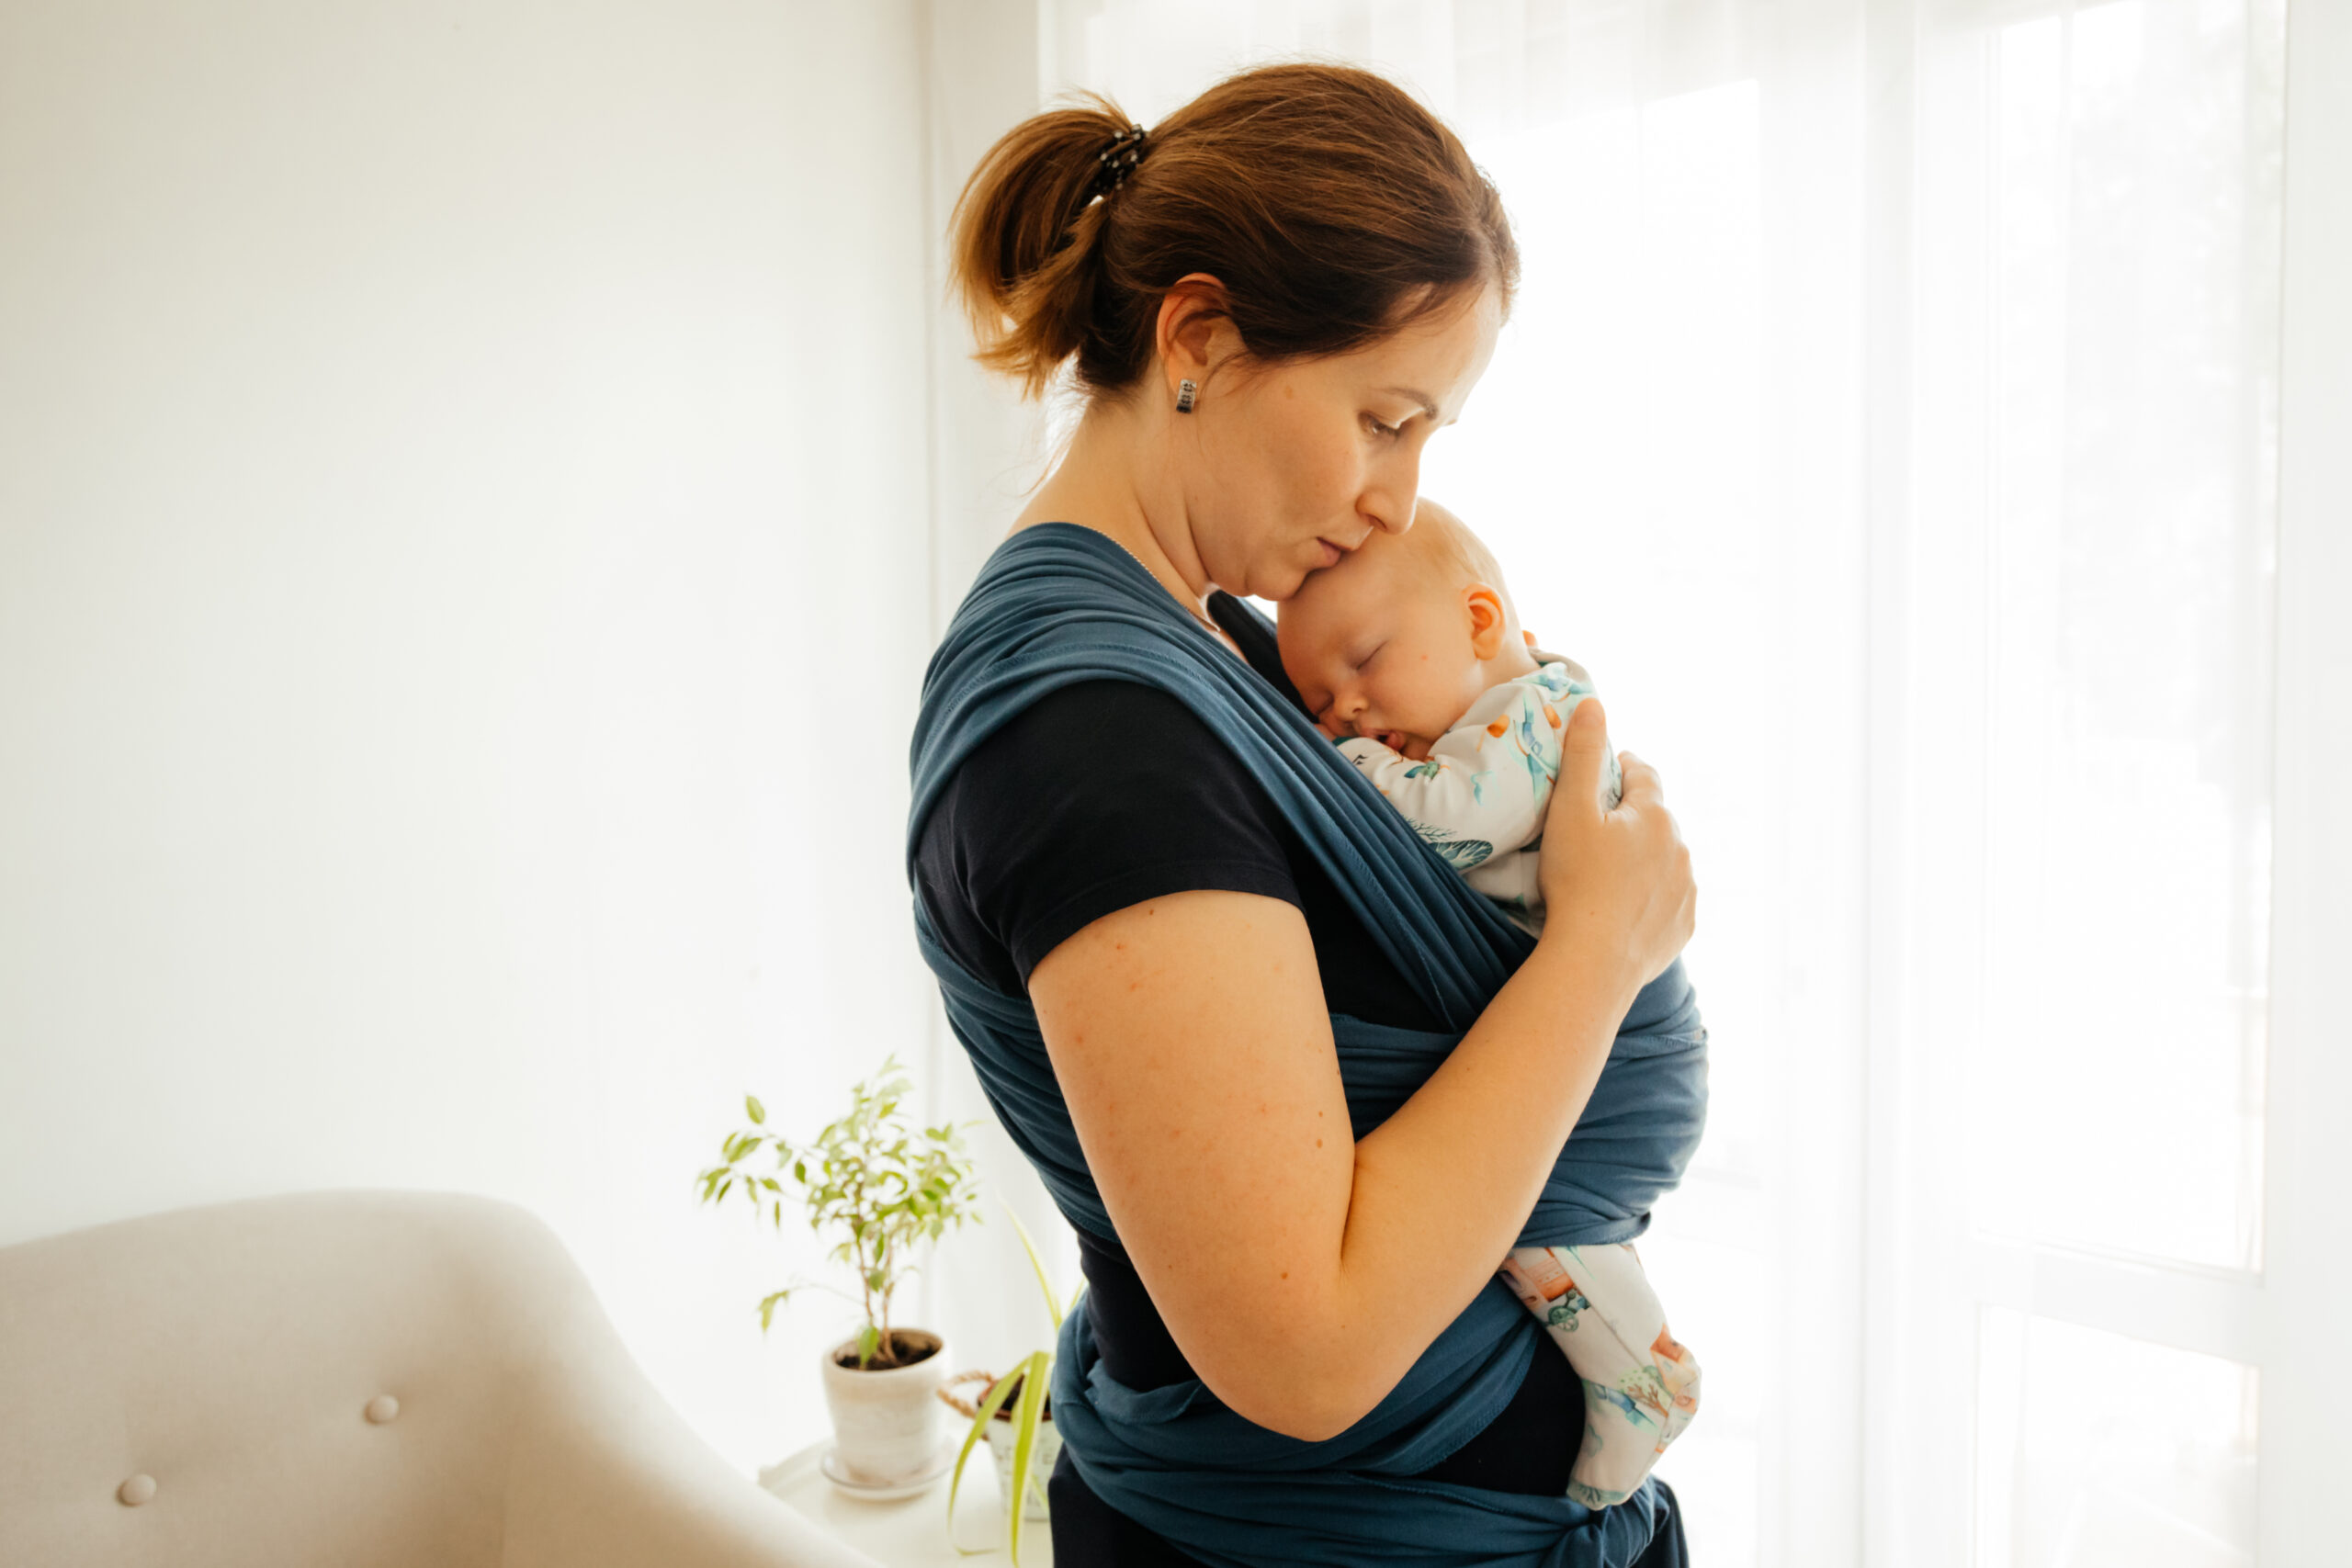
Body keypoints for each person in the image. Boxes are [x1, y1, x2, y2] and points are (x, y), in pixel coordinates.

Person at [906, 62, 1702, 1568]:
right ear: (1199, 336)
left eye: (1428, 437)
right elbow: (1307, 1349)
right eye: (1385, 417)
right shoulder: (1100, 739)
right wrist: (1598, 952)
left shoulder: (1223, 654)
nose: (1400, 498)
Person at [1276, 499, 1705, 1506]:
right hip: (1579, 1023)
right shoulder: (1473, 722)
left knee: (1532, 1234)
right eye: (1314, 701)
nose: (1342, 710)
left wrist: (1325, 771)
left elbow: (1456, 829)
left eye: (1365, 659)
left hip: (1625, 1057)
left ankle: (1646, 1378)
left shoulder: (1536, 720)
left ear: (1478, 622)